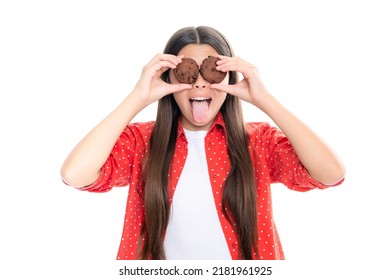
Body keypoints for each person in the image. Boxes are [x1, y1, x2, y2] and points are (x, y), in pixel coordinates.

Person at [61, 26, 345, 260]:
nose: (199, 83)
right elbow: (75, 175)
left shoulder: (257, 141)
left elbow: (330, 174)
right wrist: (138, 97)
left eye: (211, 72)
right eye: (188, 71)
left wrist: (264, 99)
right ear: (170, 77)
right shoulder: (142, 142)